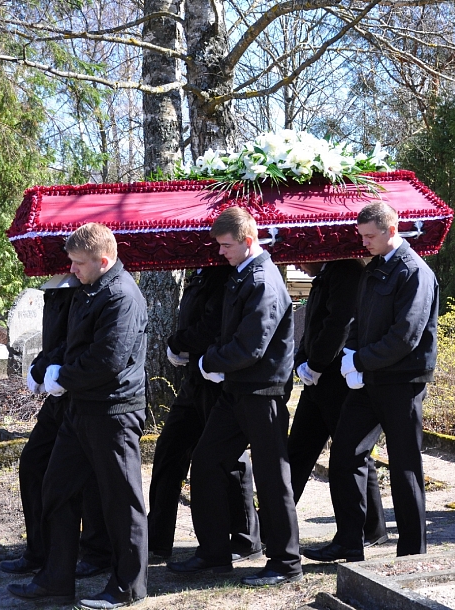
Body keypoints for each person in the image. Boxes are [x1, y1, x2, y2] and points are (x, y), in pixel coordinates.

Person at [8, 223, 149, 609]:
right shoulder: (92, 289)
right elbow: (72, 344)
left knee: (122, 502)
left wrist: (62, 378)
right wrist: (47, 368)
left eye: (79, 264)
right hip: (81, 409)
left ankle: (127, 587)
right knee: (57, 489)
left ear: (104, 261)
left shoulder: (121, 296)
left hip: (114, 412)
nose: (72, 270)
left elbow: (108, 359)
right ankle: (56, 579)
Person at [167, 206, 302, 587]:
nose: (221, 252)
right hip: (237, 389)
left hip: (262, 391)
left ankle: (286, 562)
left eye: (226, 245)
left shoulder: (262, 280)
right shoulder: (242, 275)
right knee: (208, 460)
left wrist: (211, 361)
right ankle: (214, 553)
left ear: (247, 240)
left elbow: (251, 345)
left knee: (273, 477)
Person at [303, 202, 440, 563]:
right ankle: (350, 541)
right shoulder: (375, 269)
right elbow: (358, 322)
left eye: (369, 236)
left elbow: (406, 336)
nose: (363, 243)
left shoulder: (414, 272)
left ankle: (412, 552)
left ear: (390, 229)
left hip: (402, 381)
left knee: (404, 464)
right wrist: (351, 357)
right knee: (346, 452)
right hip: (369, 380)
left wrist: (360, 360)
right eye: (361, 235)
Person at [0, 273, 112, 580]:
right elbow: (57, 339)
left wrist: (55, 370)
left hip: (83, 393)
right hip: (60, 394)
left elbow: (84, 342)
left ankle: (97, 551)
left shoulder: (95, 287)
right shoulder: (58, 289)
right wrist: (40, 366)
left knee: (88, 477)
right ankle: (41, 549)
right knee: (34, 464)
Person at [147, 264, 261, 562]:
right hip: (194, 379)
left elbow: (213, 324)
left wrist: (178, 342)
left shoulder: (222, 272)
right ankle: (157, 537)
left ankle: (245, 537)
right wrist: (181, 343)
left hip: (216, 377)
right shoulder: (199, 272)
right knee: (169, 450)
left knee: (228, 459)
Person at [285, 258, 388, 548]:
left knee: (350, 455)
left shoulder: (346, 271)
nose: (298, 264)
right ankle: (274, 525)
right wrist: (303, 360)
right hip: (317, 379)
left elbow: (339, 323)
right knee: (298, 452)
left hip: (335, 379)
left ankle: (371, 528)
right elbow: (315, 324)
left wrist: (315, 363)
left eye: (303, 257)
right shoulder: (327, 273)